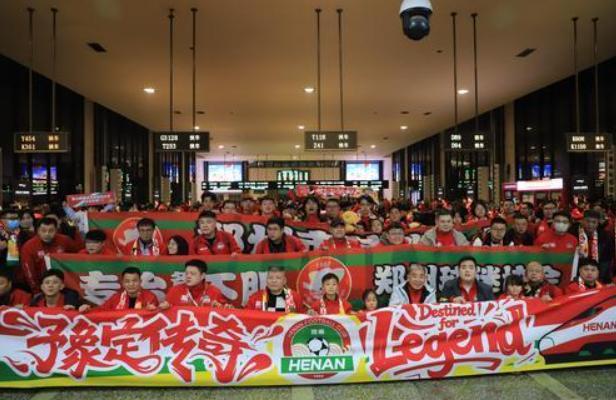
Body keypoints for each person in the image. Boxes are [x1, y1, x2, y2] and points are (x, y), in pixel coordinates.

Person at [20, 217, 80, 293]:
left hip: (65, 284)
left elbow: (77, 259)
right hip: (41, 286)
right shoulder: (28, 246)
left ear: (56, 230)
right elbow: (29, 272)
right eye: (43, 231)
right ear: (38, 231)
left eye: (51, 231)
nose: (47, 234)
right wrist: (37, 291)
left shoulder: (65, 241)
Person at [83, 267, 159, 311]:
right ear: (123, 283)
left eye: (135, 281)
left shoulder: (150, 297)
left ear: (140, 282)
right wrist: (87, 310)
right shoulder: (116, 298)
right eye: (127, 281)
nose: (131, 284)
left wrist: (151, 310)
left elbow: (157, 315)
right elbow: (101, 311)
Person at [160, 259, 229, 308]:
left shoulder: (214, 292)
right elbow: (162, 313)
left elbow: (225, 312)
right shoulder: (175, 291)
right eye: (186, 273)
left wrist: (223, 308)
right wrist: (163, 307)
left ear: (202, 276)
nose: (188, 276)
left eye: (192, 274)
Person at [577, 209, 614, 283]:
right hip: (577, 272)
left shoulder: (605, 236)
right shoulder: (574, 233)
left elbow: (606, 260)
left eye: (594, 222)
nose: (590, 224)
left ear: (598, 223)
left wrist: (600, 278)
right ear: (582, 221)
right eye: (588, 221)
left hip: (596, 273)